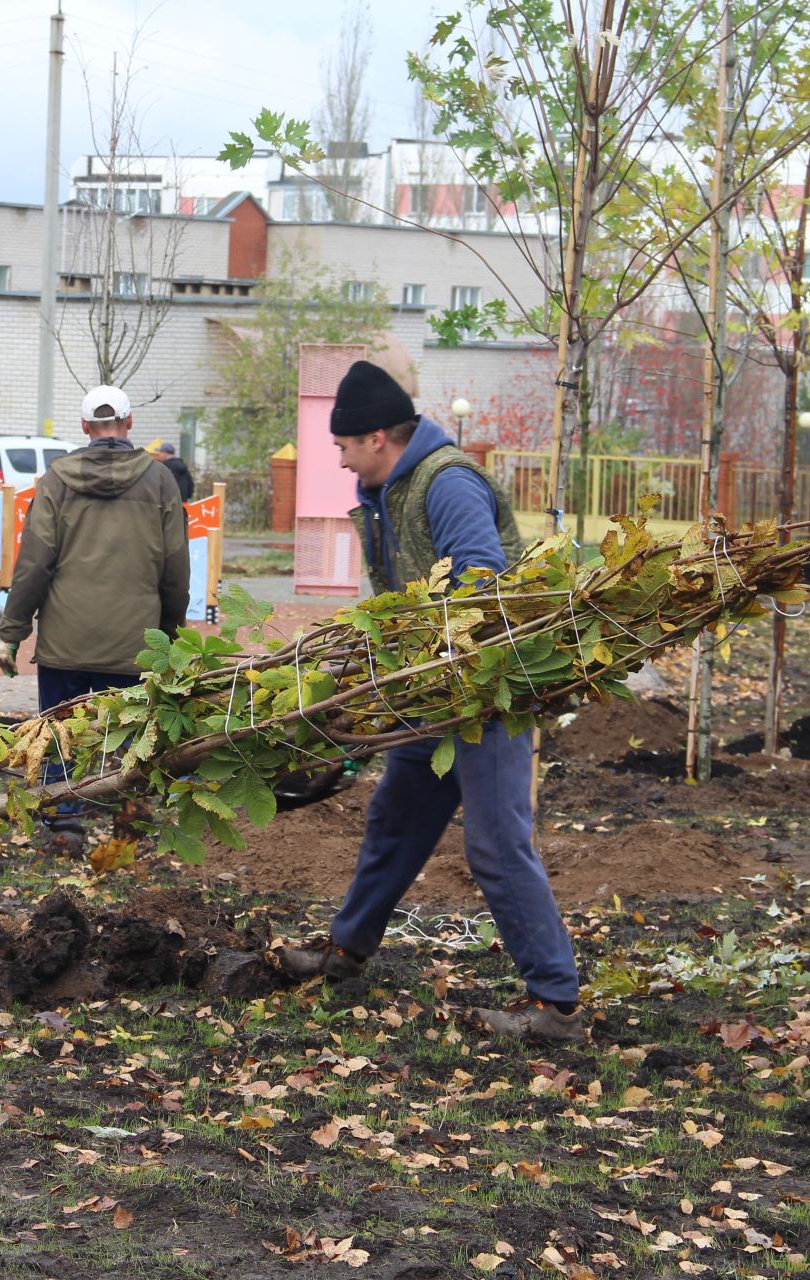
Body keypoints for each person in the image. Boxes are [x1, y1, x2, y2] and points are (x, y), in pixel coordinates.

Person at [276, 360, 585, 1045]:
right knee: (398, 813)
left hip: (486, 692)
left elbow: (479, 578)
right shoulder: (393, 489)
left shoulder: (446, 484)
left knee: (496, 844)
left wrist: (428, 656)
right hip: (433, 692)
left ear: (379, 438)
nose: (342, 461)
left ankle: (556, 1004)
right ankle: (347, 950)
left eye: (345, 447)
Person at [0, 384, 190, 833]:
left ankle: (65, 823)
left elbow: (34, 564)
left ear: (84, 426)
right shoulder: (161, 481)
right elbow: (176, 570)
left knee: (60, 735)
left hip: (65, 643)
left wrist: (12, 632)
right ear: (130, 422)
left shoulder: (56, 480)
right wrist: (170, 637)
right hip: (134, 645)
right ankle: (124, 820)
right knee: (127, 738)